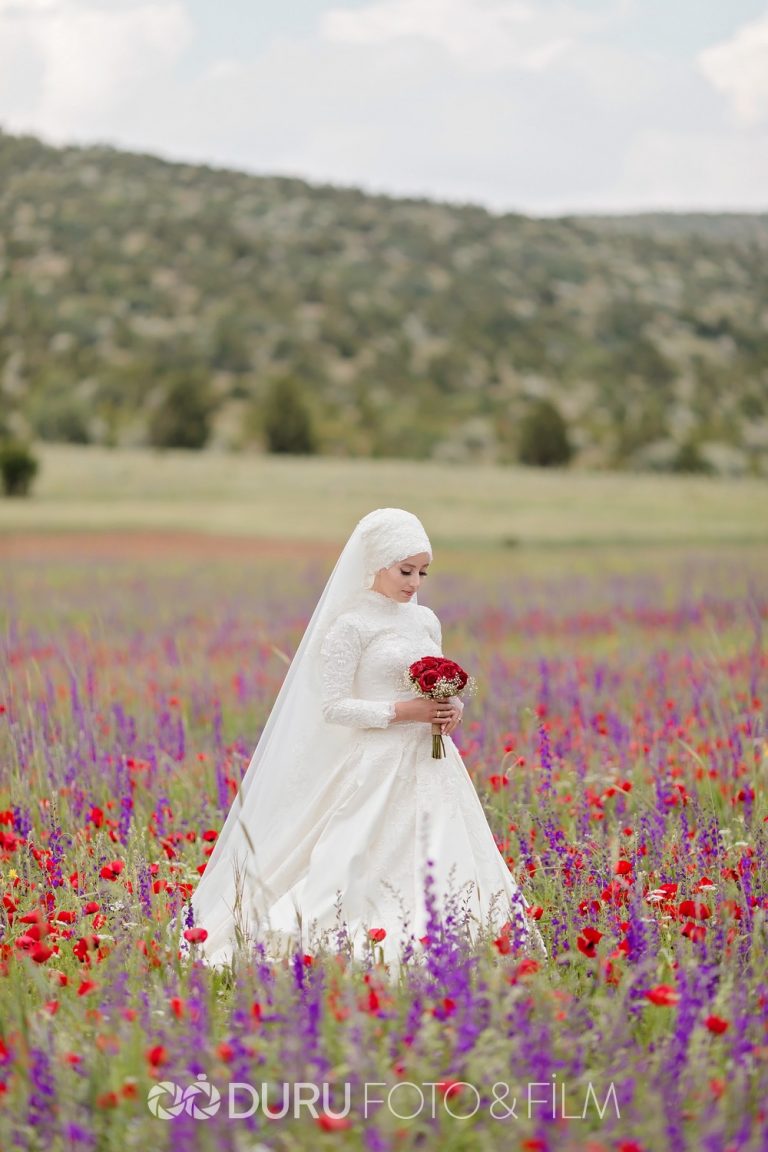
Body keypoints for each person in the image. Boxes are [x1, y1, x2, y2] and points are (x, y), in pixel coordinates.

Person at [189, 508, 543, 967]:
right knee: (359, 857)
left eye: (422, 572)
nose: (414, 582)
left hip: (433, 760)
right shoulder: (350, 626)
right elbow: (334, 707)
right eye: (405, 570)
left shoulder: (425, 621)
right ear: (376, 563)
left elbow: (443, 683)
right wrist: (405, 711)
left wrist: (451, 708)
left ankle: (457, 938)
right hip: (377, 763)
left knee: (448, 846)